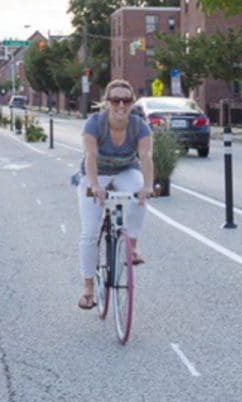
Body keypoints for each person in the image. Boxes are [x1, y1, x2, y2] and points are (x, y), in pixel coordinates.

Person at [76, 79, 153, 310]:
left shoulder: (139, 126)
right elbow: (89, 156)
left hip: (125, 171)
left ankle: (132, 245)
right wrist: (95, 186)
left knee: (139, 194)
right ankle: (88, 288)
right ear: (107, 102)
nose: (121, 105)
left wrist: (148, 186)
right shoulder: (94, 123)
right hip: (94, 174)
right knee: (90, 231)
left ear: (132, 103)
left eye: (126, 100)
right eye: (115, 100)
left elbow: (146, 157)